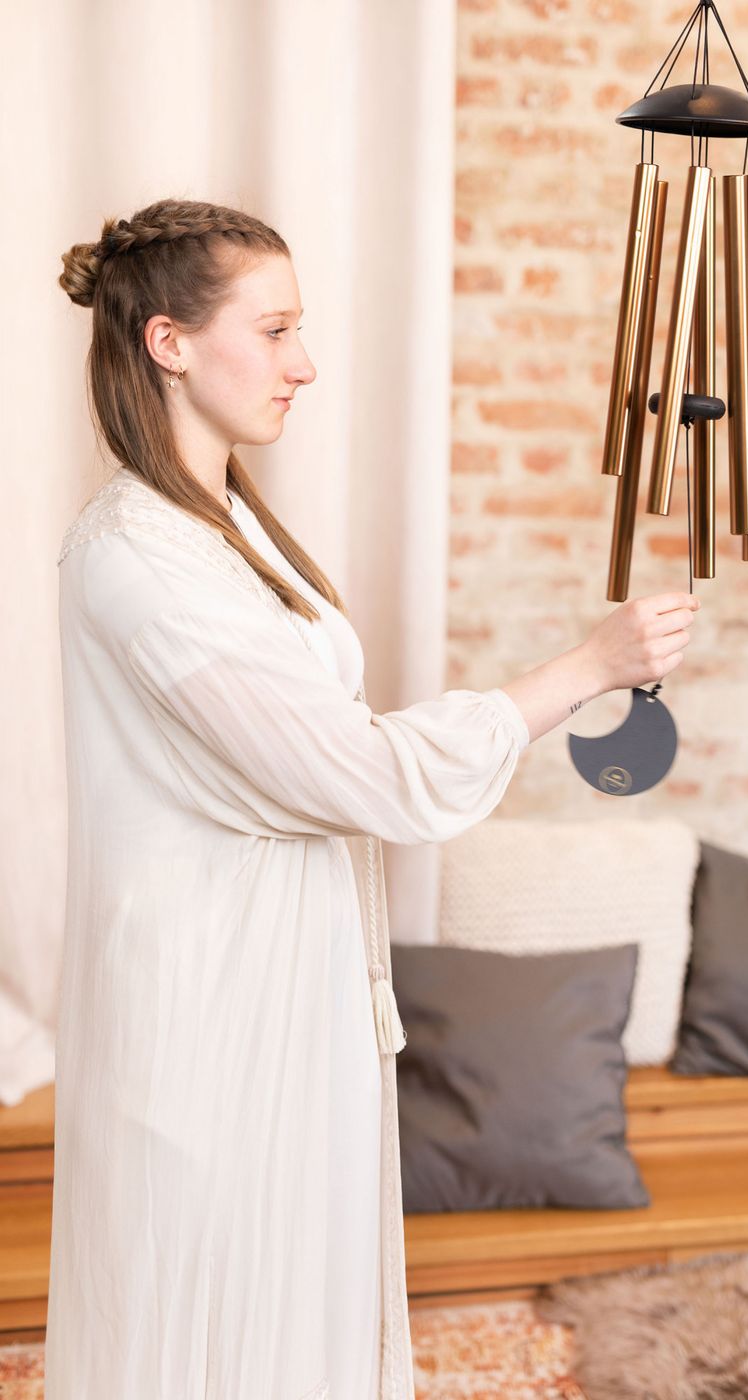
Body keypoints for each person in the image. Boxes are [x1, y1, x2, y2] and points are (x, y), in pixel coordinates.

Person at [47, 197, 699, 1400]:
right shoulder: (137, 558)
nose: (304, 363)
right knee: (218, 1329)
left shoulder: (232, 526)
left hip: (292, 992)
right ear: (168, 342)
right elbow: (362, 773)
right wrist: (583, 669)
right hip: (211, 1016)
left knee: (301, 1321)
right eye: (275, 330)